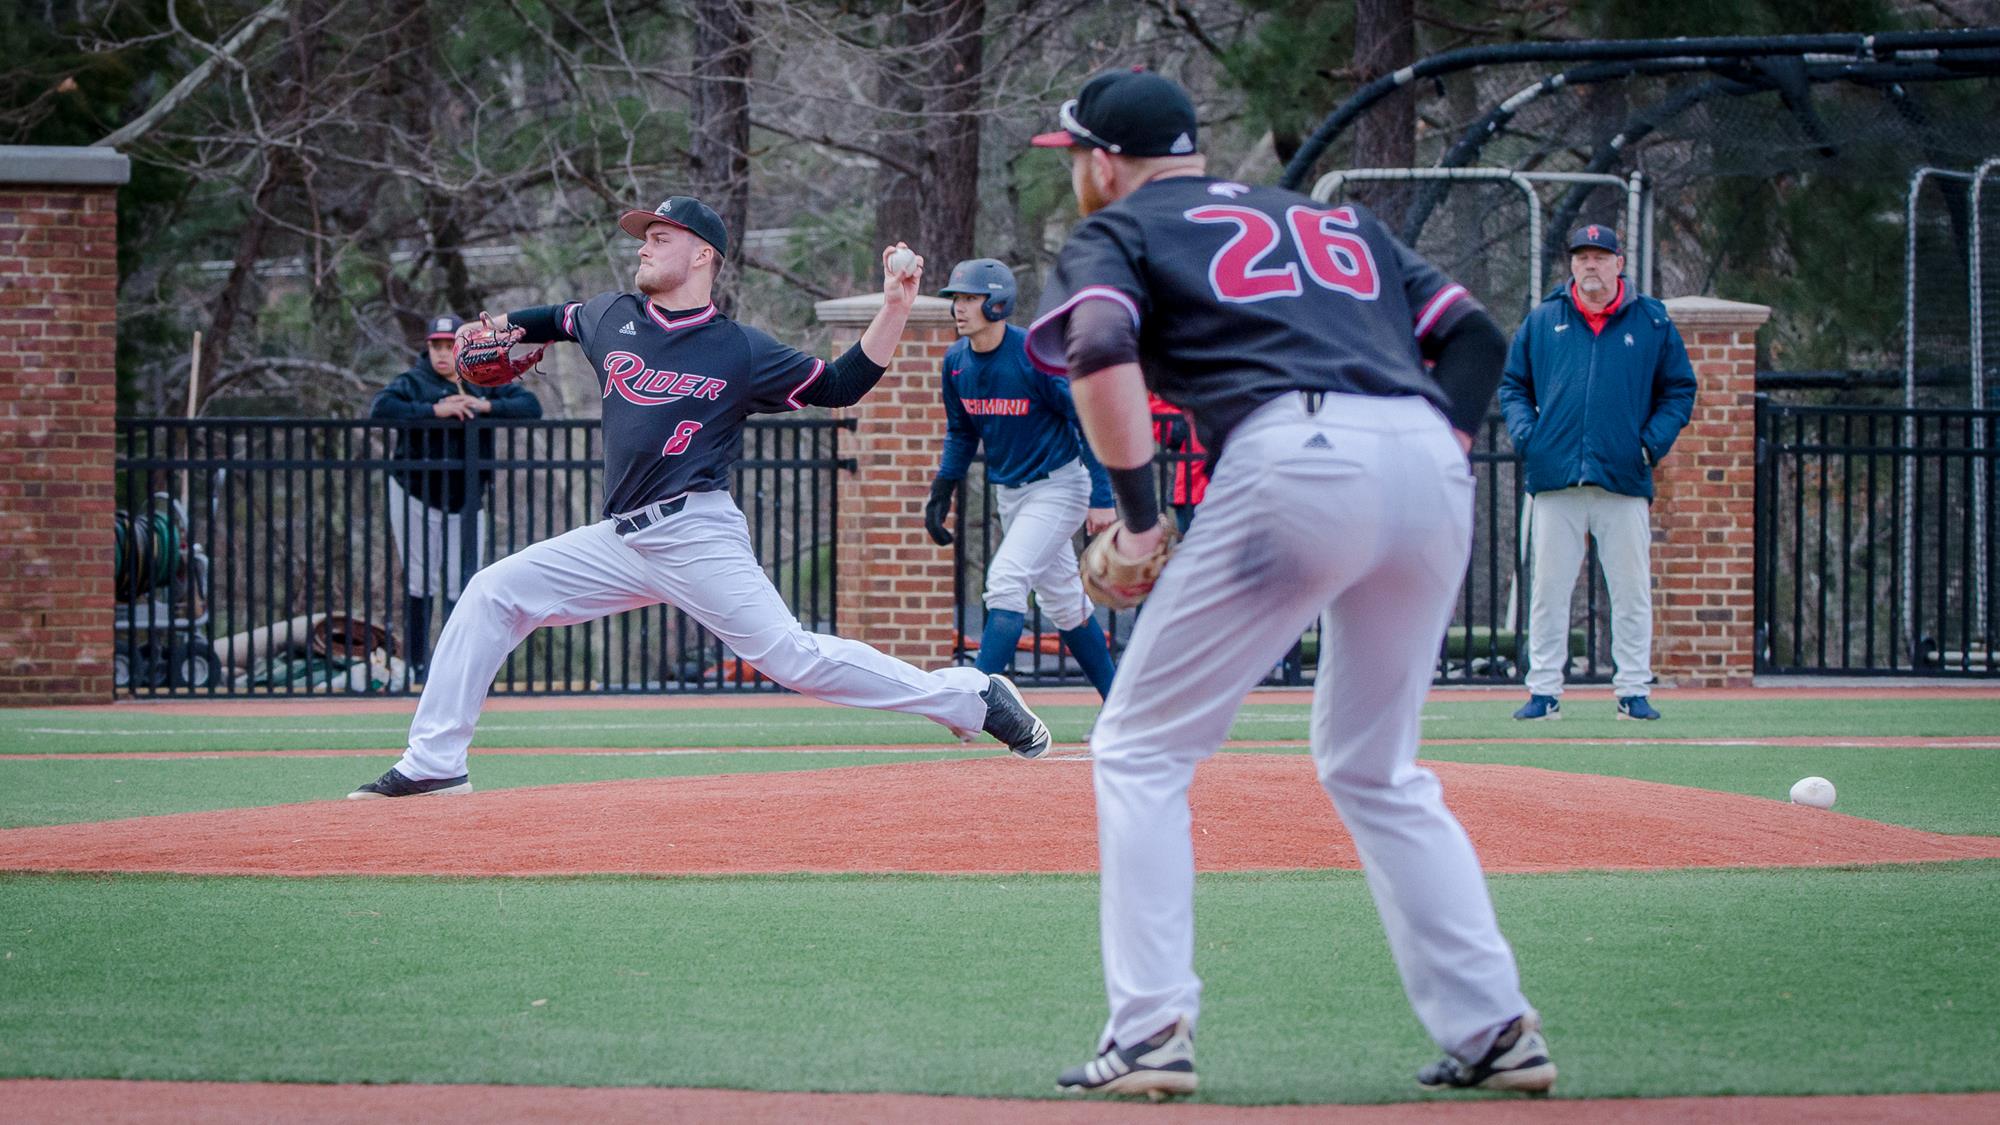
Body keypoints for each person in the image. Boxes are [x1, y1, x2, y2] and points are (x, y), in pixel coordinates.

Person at [1022, 69, 1554, 1099]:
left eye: (1074, 157)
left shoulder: (1116, 231)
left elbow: (1097, 346)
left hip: (1294, 453)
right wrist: (1414, 444)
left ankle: (1147, 1033)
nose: (1077, 176)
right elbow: (1477, 339)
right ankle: (1493, 1028)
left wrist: (1138, 527)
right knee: (1375, 766)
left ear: (1101, 162)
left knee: (1139, 745)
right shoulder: (1330, 221)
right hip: (1429, 461)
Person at [348, 197, 1050, 799]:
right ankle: (434, 762)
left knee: (793, 658)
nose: (644, 249)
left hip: (696, 529)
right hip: (621, 539)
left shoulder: (737, 349)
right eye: (643, 238)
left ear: (703, 254)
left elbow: (839, 385)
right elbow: (545, 322)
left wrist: (895, 306)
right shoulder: (609, 315)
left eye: (660, 238)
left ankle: (971, 695)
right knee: (491, 592)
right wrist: (497, 330)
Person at [1498, 225, 1696, 722]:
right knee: (1548, 591)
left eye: (1600, 256)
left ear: (1619, 263)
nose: (1591, 264)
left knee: (1630, 590)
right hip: (1555, 477)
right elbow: (1513, 386)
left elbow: (1679, 390)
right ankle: (1543, 691)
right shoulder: (1544, 320)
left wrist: (1649, 446)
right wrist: (1529, 437)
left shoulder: (1651, 322)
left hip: (1623, 477)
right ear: (1571, 264)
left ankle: (1633, 690)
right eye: (1582, 256)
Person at [923, 257, 1120, 698]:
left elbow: (1087, 420)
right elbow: (961, 431)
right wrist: (943, 488)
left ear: (997, 303)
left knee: (1007, 580)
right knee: (1065, 605)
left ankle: (973, 699)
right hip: (1012, 494)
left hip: (1060, 484)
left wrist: (1102, 496)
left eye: (971, 298)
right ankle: (1123, 705)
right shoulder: (956, 362)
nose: (959, 308)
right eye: (956, 299)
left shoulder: (1034, 356)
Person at [369, 315, 544, 679]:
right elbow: (382, 410)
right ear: (428, 349)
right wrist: (434, 410)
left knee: (462, 583)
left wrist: (486, 407)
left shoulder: (481, 380)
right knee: (420, 580)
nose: (443, 353)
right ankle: (417, 665)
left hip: (467, 498)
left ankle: (453, 666)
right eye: (436, 346)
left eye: (450, 345)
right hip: (416, 492)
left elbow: (530, 407)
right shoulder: (414, 382)